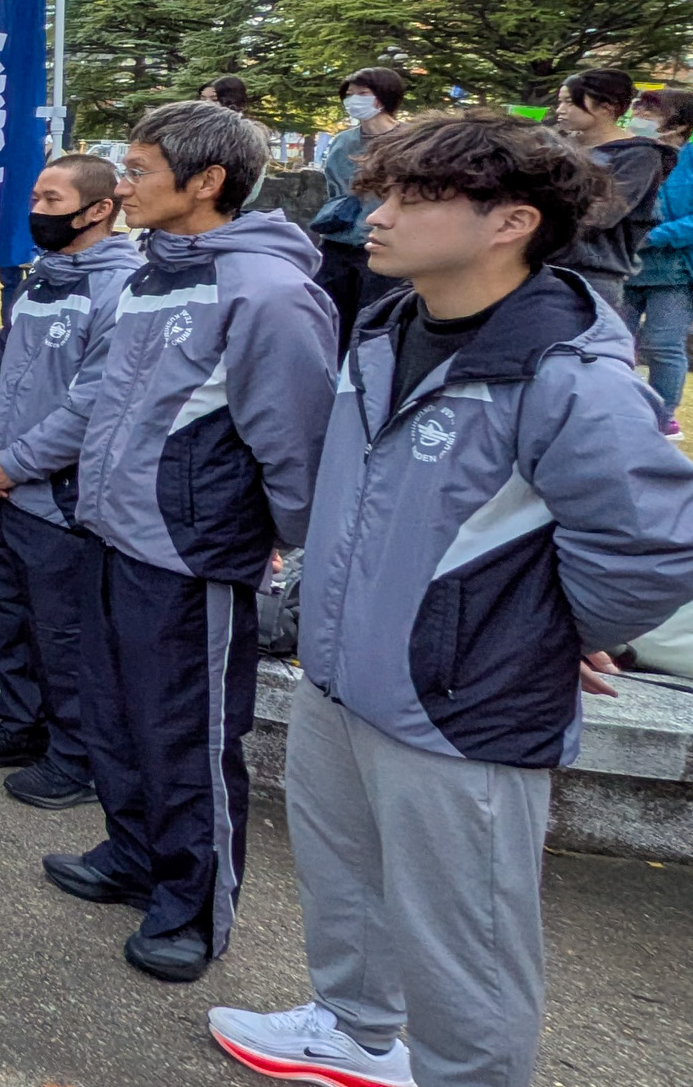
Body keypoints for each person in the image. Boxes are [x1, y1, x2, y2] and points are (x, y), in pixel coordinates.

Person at [207, 110, 693, 1087]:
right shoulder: (388, 327)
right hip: (342, 672)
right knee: (346, 877)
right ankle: (353, 1032)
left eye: (411, 198)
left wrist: (537, 628)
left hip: (461, 708)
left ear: (510, 223)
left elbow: (651, 545)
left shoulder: (567, 374)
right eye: (381, 193)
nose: (375, 216)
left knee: (464, 943)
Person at [44, 100, 337, 984]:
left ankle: (192, 906)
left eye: (138, 171)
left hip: (188, 552)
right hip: (112, 531)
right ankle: (132, 853)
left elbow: (295, 441)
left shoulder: (267, 292)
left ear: (206, 181)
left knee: (187, 737)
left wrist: (284, 544)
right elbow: (104, 399)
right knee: (115, 715)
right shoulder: (151, 275)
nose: (123, 185)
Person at [0, 154, 141, 809]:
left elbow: (92, 406)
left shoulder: (120, 290)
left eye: (51, 199)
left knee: (65, 637)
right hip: (5, 487)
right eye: (35, 196)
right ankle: (21, 724)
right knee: (5, 616)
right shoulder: (39, 281)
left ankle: (76, 758)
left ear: (98, 210)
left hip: (60, 501)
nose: (36, 209)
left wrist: (15, 463)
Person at [554, 68, 672, 309]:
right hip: (539, 266)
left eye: (570, 102)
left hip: (592, 275)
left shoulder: (639, 154)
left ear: (607, 107)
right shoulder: (555, 147)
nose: (560, 110)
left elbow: (602, 214)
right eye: (559, 102)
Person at [314, 67, 407, 357]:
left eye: (362, 94)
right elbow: (334, 188)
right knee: (328, 318)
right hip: (339, 241)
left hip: (385, 242)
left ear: (384, 97)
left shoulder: (410, 140)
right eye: (349, 94)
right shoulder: (344, 141)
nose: (353, 100)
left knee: (374, 321)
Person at [624, 87, 693, 434]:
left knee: (663, 344)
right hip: (622, 265)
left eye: (648, 112)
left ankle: (663, 415)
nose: (637, 117)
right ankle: (617, 407)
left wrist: (655, 236)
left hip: (675, 271)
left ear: (679, 126)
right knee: (616, 343)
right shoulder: (628, 153)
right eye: (636, 109)